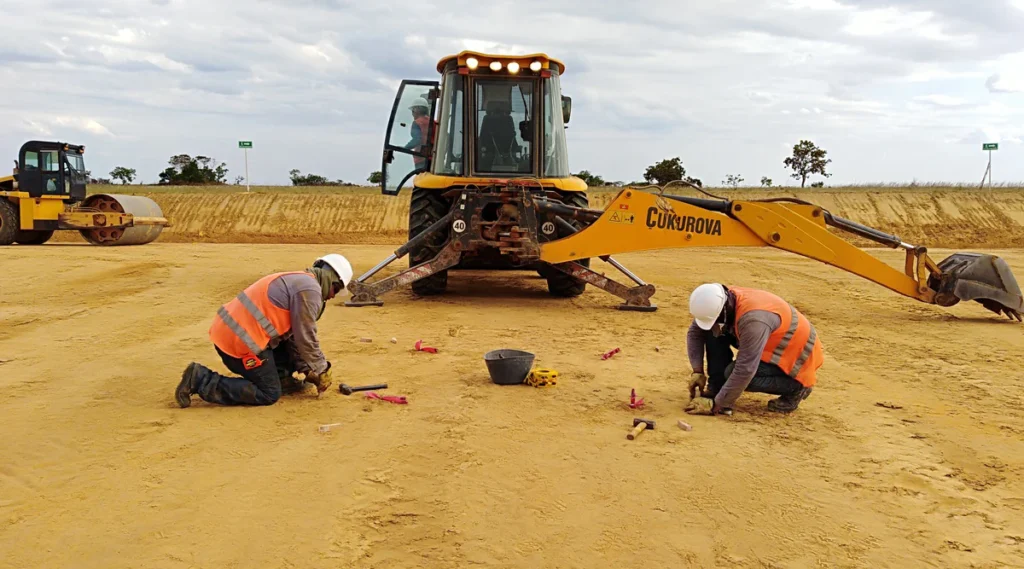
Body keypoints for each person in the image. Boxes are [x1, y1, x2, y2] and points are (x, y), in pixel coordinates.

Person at [174, 254, 354, 408]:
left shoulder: (300, 280)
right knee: (269, 393)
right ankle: (201, 379)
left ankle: (281, 378)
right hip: (238, 344)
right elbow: (306, 337)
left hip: (232, 334)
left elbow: (292, 338)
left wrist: (308, 370)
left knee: (288, 347)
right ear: (330, 278)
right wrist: (322, 369)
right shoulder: (310, 290)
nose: (332, 296)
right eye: (336, 289)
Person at [683, 283, 824, 415]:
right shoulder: (720, 299)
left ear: (723, 311)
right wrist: (697, 371)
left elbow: (745, 369)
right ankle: (717, 387)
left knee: (734, 372)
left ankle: (797, 387)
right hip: (769, 342)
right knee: (713, 331)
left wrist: (716, 405)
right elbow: (695, 332)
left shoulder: (753, 321)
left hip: (795, 356)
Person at [404, 100, 432, 170]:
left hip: (421, 158)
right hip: (433, 159)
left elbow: (417, 139)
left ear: (417, 110)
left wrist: (404, 148)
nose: (412, 114)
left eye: (413, 111)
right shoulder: (433, 122)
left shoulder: (417, 123)